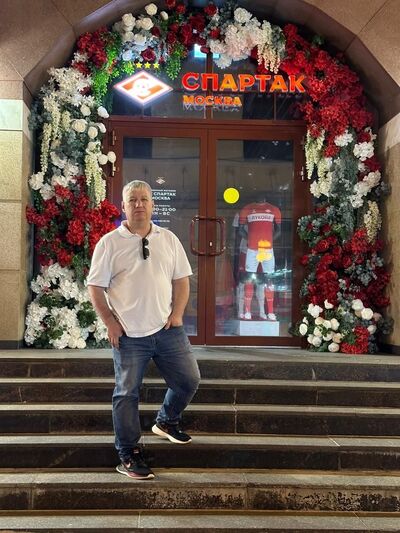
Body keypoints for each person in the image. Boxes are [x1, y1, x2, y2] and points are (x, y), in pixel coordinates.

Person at [87, 180, 200, 481]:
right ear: (123, 206)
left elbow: (181, 280)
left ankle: (167, 421)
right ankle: (128, 453)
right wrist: (110, 322)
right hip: (128, 336)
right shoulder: (109, 243)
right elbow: (95, 287)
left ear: (152, 205)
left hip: (167, 329)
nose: (139, 204)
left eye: (144, 199)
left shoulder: (168, 239)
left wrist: (177, 314)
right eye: (132, 200)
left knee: (188, 380)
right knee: (126, 394)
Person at [238, 200, 281, 320]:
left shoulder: (274, 209)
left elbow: (279, 230)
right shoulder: (247, 208)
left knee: (269, 279)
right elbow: (240, 230)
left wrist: (270, 240)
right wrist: (250, 239)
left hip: (267, 249)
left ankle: (270, 312)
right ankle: (247, 311)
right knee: (249, 278)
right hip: (252, 249)